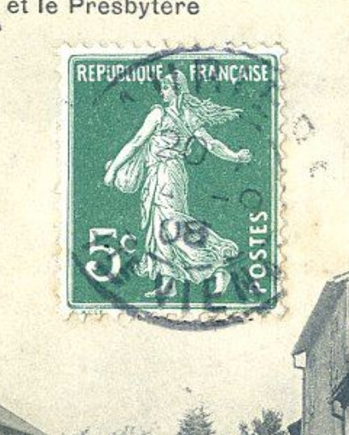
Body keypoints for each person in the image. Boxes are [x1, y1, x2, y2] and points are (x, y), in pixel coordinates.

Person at [102, 67, 255, 299]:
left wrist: (113, 170)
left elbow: (135, 143)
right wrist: (234, 156)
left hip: (164, 174)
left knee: (172, 225)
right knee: (159, 227)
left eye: (165, 88)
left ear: (176, 91)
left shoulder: (159, 115)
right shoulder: (189, 117)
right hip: (172, 174)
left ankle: (217, 267)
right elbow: (211, 144)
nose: (162, 93)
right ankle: (168, 283)